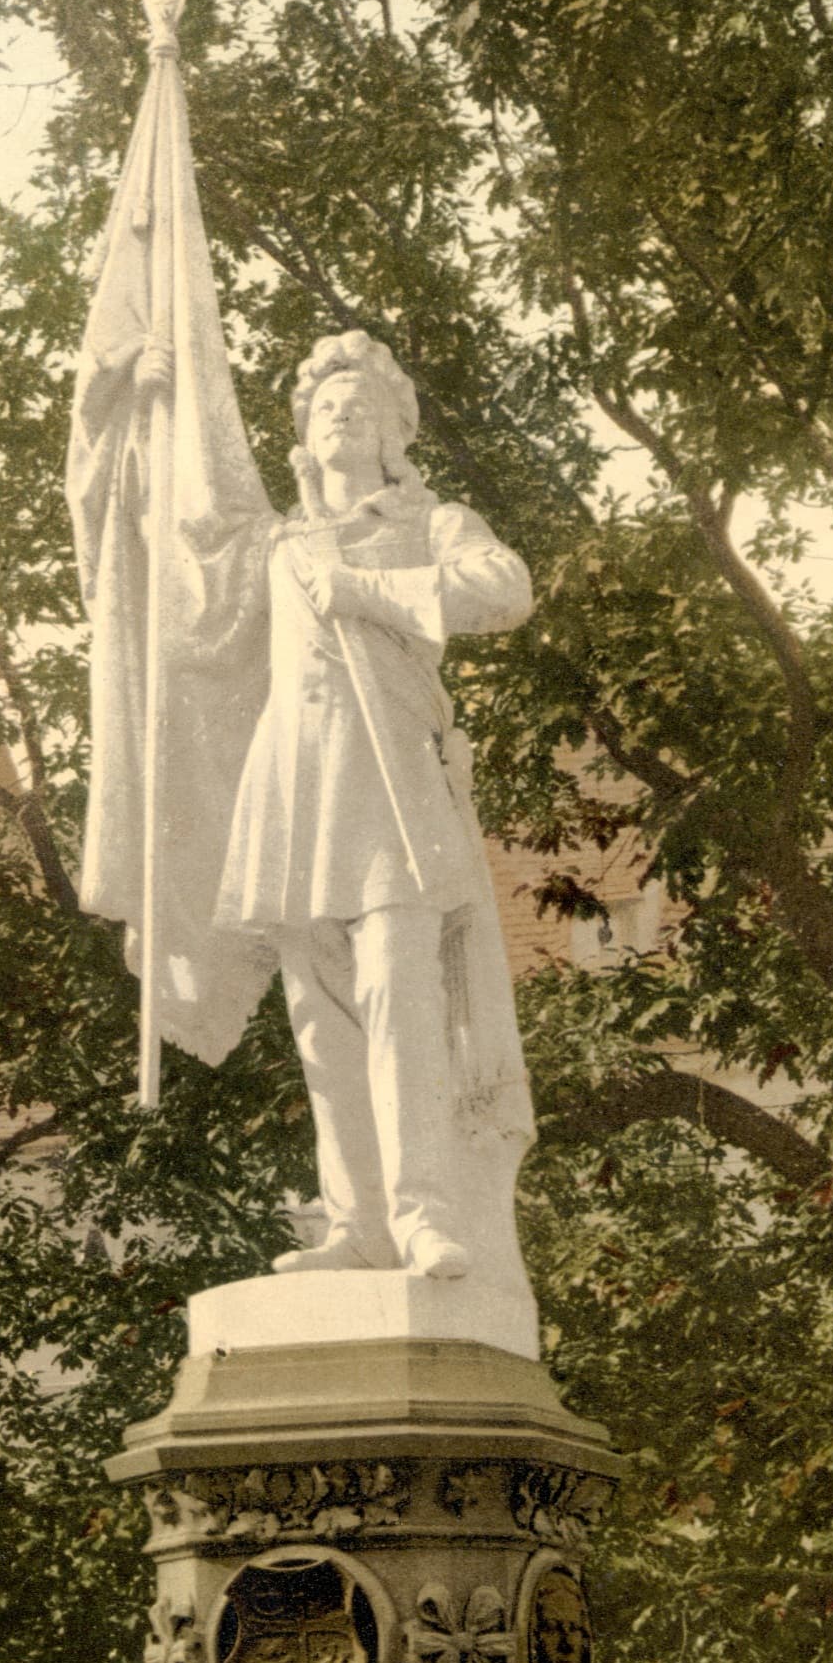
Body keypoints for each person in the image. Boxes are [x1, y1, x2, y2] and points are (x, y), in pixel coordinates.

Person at [132, 325, 538, 1288]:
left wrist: (363, 588)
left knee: (401, 1001)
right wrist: (157, 418)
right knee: (320, 1020)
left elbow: (504, 589)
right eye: (325, 407)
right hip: (296, 786)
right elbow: (183, 569)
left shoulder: (432, 521)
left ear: (396, 429)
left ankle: (426, 1214)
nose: (341, 416)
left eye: (361, 404)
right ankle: (357, 1221)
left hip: (391, 787)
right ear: (304, 441)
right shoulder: (278, 542)